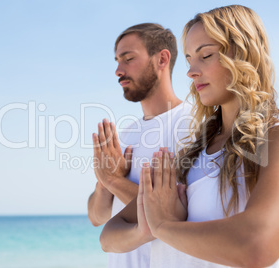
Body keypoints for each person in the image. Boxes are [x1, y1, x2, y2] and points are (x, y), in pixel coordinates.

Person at [100, 5, 279, 268]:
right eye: (190, 58)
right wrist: (143, 231)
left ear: (244, 54)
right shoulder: (189, 154)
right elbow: (109, 234)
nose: (191, 71)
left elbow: (257, 246)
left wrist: (162, 226)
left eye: (206, 55)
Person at [87, 23, 192, 268]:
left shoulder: (191, 125)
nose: (117, 70)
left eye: (128, 58)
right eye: (116, 60)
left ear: (162, 59)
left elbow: (175, 211)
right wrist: (104, 183)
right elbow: (97, 217)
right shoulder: (126, 134)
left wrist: (115, 181)